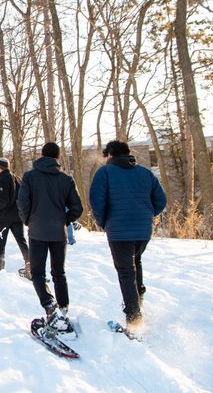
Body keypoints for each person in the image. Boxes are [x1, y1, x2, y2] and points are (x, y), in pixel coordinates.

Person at [89, 140, 167, 328]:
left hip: (119, 231)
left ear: (111, 155)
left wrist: (103, 222)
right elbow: (161, 200)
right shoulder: (145, 173)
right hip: (143, 230)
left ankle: (133, 317)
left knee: (125, 271)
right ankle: (138, 299)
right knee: (136, 262)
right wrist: (146, 215)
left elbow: (96, 202)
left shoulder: (105, 173)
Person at [17, 142, 83, 334]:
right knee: (59, 272)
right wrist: (64, 220)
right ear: (58, 158)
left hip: (37, 231)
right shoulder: (66, 180)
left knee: (38, 273)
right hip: (58, 232)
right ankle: (63, 308)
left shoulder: (29, 177)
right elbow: (77, 208)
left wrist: (28, 220)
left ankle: (49, 305)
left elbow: (22, 203)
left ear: (41, 155)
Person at [0, 158, 29, 273]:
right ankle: (29, 264)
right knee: (21, 240)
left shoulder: (2, 180)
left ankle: (0, 264)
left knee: (1, 240)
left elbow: (3, 200)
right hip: (17, 216)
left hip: (4, 217)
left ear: (0, 168)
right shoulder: (17, 178)